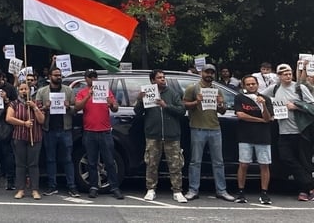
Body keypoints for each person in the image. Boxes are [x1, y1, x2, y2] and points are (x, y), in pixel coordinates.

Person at [183, 64, 235, 201]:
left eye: (212, 73)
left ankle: (221, 190)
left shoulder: (217, 90)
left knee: (218, 162)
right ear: (201, 73)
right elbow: (184, 105)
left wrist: (221, 104)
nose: (209, 75)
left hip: (215, 128)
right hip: (197, 128)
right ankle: (193, 190)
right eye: (207, 72)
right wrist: (196, 102)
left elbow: (223, 111)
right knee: (195, 161)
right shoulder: (193, 88)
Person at [263, 63, 314, 201]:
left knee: (304, 161)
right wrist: (269, 109)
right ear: (278, 76)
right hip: (283, 132)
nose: (288, 76)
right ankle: (310, 184)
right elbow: (260, 97)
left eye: (290, 73)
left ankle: (304, 191)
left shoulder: (299, 87)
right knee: (286, 158)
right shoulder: (274, 88)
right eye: (284, 74)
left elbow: (312, 105)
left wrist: (296, 106)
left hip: (300, 131)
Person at [134, 69, 187, 203]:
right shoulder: (148, 93)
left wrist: (166, 106)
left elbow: (182, 110)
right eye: (159, 77)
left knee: (175, 164)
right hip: (153, 135)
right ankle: (151, 189)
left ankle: (177, 191)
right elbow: (138, 112)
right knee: (152, 164)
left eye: (163, 77)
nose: (163, 79)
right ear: (152, 80)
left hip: (172, 135)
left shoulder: (172, 93)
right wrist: (140, 100)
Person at [74, 69, 123, 199]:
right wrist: (88, 96)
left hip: (105, 131)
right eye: (90, 77)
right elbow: (77, 107)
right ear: (86, 79)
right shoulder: (82, 92)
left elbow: (115, 108)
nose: (93, 79)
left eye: (95, 76)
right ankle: (93, 187)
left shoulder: (105, 91)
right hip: (90, 132)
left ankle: (114, 187)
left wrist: (111, 103)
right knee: (91, 161)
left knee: (109, 161)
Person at [34, 66, 78, 197]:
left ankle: (72, 186)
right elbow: (36, 109)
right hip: (49, 130)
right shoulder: (42, 92)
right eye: (55, 75)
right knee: (50, 159)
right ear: (50, 77)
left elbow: (75, 110)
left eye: (60, 75)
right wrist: (45, 108)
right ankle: (52, 186)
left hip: (65, 130)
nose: (58, 77)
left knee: (68, 159)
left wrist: (68, 106)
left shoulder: (68, 91)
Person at [233, 75, 273, 204]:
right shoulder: (240, 98)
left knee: (264, 165)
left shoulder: (265, 99)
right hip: (245, 136)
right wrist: (259, 120)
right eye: (248, 84)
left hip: (263, 136)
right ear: (244, 86)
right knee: (243, 164)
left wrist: (263, 106)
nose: (251, 86)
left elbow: (268, 118)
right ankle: (241, 192)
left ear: (257, 84)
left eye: (253, 84)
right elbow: (240, 115)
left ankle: (264, 193)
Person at [6, 82, 45, 200]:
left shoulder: (37, 102)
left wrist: (34, 107)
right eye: (21, 89)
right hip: (19, 137)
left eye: (26, 89)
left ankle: (35, 190)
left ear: (30, 90)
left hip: (35, 137)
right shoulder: (14, 104)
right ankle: (21, 189)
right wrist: (24, 123)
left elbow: (42, 120)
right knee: (20, 164)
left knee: (33, 164)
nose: (24, 91)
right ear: (18, 91)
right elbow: (8, 118)